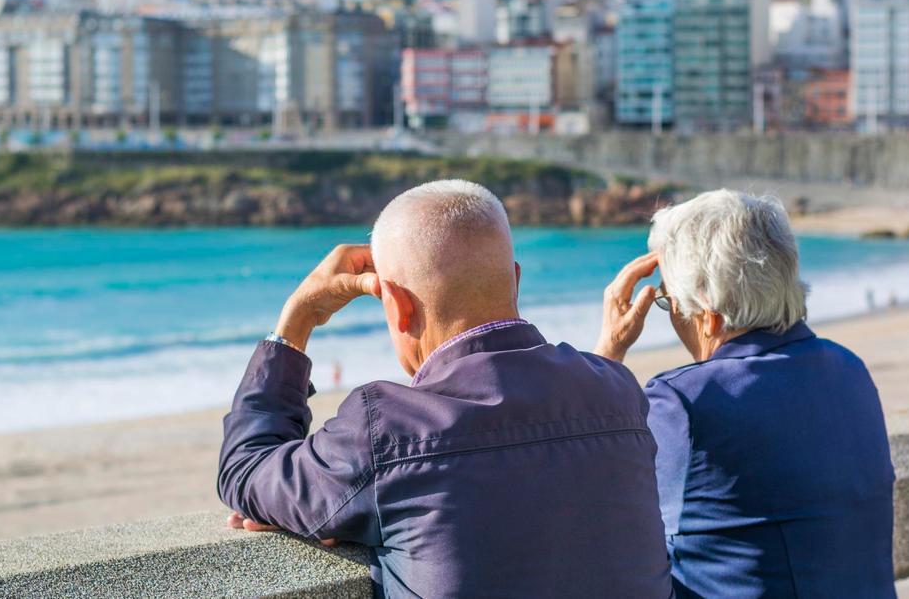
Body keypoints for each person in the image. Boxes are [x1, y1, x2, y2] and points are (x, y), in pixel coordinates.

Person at [218, 180, 674, 598]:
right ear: (515, 280)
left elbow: (244, 469)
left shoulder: (386, 427)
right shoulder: (620, 391)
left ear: (396, 307)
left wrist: (297, 320)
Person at [595, 189, 896, 598]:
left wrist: (606, 355)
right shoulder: (849, 370)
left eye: (668, 301)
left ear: (709, 317)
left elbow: (592, 503)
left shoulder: (687, 402)